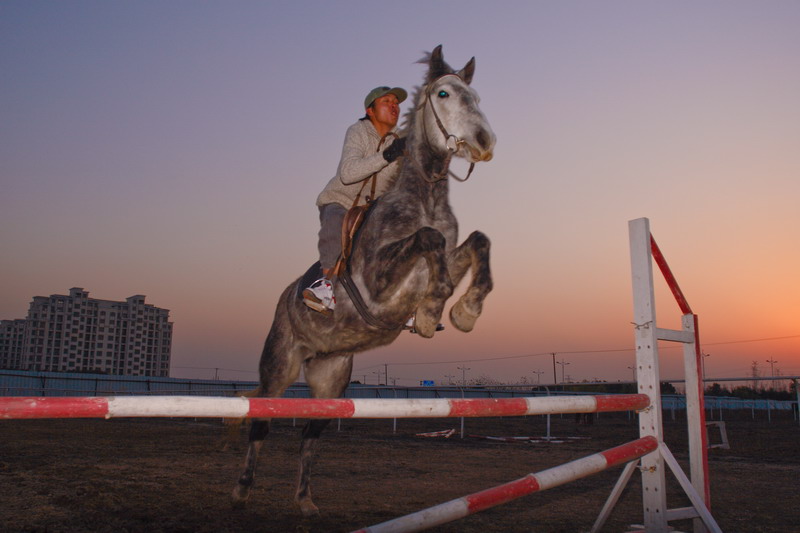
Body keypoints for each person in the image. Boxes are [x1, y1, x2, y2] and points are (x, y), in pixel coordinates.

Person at [303, 86, 408, 314]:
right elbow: (348, 173)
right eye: (386, 101)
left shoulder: (402, 139)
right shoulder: (358, 131)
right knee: (336, 220)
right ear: (370, 110)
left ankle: (405, 303)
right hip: (340, 200)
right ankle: (325, 285)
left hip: (375, 210)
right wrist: (388, 155)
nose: (394, 106)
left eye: (396, 103)